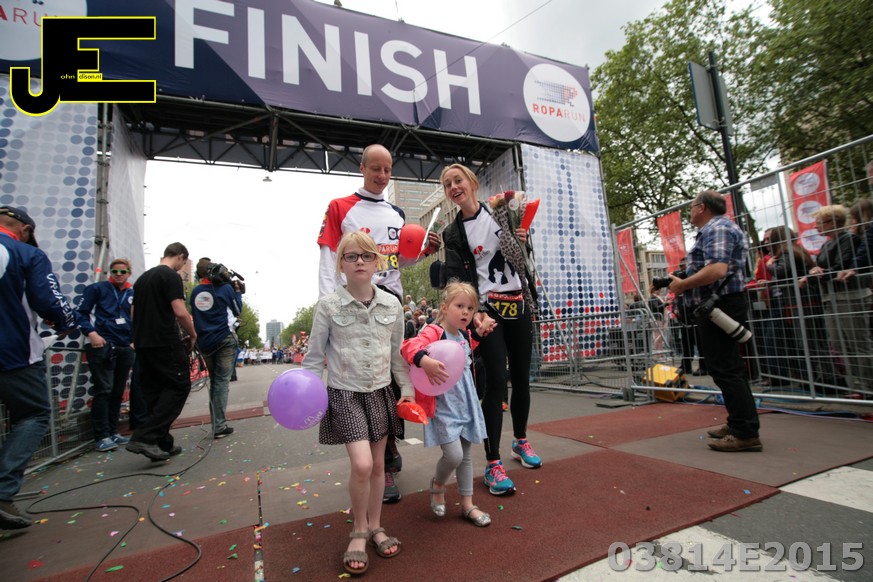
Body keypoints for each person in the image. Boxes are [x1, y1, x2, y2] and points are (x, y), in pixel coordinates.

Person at [316, 143, 440, 504]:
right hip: (352, 303)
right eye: (375, 168)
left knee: (391, 379)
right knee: (363, 381)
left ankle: (386, 455)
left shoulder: (397, 213)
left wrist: (422, 252)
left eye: (387, 169)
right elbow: (328, 258)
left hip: (390, 303)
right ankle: (378, 463)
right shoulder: (340, 207)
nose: (382, 175)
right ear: (362, 168)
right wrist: (329, 306)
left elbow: (400, 262)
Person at [302, 231, 413, 575]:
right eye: (351, 256)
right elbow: (314, 356)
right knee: (362, 464)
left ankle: (376, 525)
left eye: (366, 256)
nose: (359, 262)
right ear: (341, 265)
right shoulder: (328, 306)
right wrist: (307, 395)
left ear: (377, 262)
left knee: (379, 465)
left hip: (380, 392)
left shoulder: (391, 304)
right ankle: (359, 530)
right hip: (345, 393)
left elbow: (398, 356)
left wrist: (407, 389)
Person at [439, 163, 540, 496]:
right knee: (497, 382)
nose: (454, 187)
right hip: (488, 311)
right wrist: (475, 313)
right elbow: (457, 278)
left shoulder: (502, 211)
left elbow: (522, 256)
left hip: (518, 302)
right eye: (447, 184)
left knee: (521, 378)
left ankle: (521, 440)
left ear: (472, 183)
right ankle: (493, 462)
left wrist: (524, 239)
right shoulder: (453, 234)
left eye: (458, 180)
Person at [0, 206, 77, 529]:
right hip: (11, 353)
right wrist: (66, 321)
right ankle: (3, 492)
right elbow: (48, 300)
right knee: (33, 413)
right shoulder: (25, 253)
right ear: (25, 230)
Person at [667, 190, 762, 452]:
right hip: (717, 304)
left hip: (721, 304)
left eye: (691, 207)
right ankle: (738, 423)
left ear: (702, 208)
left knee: (726, 368)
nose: (689, 212)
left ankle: (745, 432)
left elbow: (717, 269)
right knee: (724, 367)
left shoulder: (716, 229)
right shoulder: (717, 229)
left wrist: (683, 285)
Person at [401, 281, 492, 526]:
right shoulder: (434, 331)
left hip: (465, 403)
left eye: (470, 308)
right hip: (444, 406)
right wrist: (425, 361)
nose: (465, 312)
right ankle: (438, 483)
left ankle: (468, 505)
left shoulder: (463, 335)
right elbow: (409, 346)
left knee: (466, 455)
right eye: (459, 306)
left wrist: (479, 334)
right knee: (453, 455)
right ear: (444, 307)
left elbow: (464, 351)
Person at [125, 243, 197, 462]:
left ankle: (162, 441)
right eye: (183, 262)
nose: (181, 266)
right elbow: (180, 312)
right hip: (164, 340)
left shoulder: (142, 279)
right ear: (180, 257)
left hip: (143, 342)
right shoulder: (170, 276)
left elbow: (133, 312)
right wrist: (192, 334)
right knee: (179, 386)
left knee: (155, 391)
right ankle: (145, 437)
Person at [801, 206, 873, 393]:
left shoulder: (850, 239)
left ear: (833, 223)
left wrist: (818, 274)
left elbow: (841, 266)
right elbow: (821, 269)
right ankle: (855, 387)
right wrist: (815, 272)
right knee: (840, 344)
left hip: (849, 296)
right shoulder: (826, 245)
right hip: (830, 298)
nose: (816, 227)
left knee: (858, 343)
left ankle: (868, 386)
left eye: (820, 223)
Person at [75, 258, 138, 452]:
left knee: (118, 391)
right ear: (110, 272)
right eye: (115, 271)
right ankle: (101, 435)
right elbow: (80, 313)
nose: (118, 275)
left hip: (124, 346)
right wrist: (92, 333)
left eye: (122, 271)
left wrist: (133, 340)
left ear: (129, 273)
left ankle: (112, 431)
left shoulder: (132, 293)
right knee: (104, 390)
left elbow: (137, 317)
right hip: (103, 345)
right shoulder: (97, 289)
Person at [191, 260, 241, 439]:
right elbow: (237, 309)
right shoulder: (225, 289)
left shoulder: (195, 291)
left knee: (214, 381)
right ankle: (219, 426)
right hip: (224, 339)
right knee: (221, 382)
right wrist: (237, 292)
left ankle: (217, 424)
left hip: (205, 342)